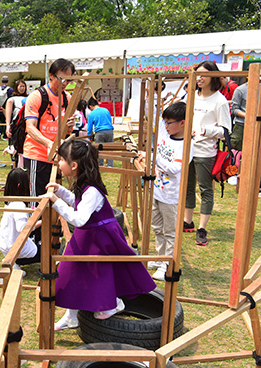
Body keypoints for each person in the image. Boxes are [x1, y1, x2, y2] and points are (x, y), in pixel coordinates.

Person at [43, 140, 156, 330]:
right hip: (88, 234)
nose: (58, 163)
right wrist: (61, 191)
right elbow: (79, 204)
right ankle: (71, 316)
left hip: (99, 237)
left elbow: (79, 218)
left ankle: (114, 303)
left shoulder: (92, 190)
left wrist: (56, 201)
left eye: (62, 159)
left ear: (74, 165)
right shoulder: (84, 184)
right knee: (70, 271)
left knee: (100, 272)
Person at [138, 102, 191, 280]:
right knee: (157, 228)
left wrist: (153, 156)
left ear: (183, 123)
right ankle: (160, 257)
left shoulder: (187, 145)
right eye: (165, 122)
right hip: (157, 190)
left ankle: (167, 263)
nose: (166, 125)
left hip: (171, 196)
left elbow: (174, 168)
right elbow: (153, 114)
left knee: (170, 231)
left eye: (170, 122)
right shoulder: (165, 133)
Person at [183, 60, 231, 246]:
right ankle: (188, 221)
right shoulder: (191, 96)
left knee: (205, 189)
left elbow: (226, 130)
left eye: (204, 74)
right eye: (197, 74)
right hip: (188, 148)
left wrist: (205, 131)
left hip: (205, 150)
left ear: (213, 77)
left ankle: (202, 228)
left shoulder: (219, 100)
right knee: (187, 187)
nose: (200, 78)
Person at [23, 58, 75, 198]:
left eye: (69, 80)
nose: (65, 83)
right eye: (62, 79)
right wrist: (48, 143)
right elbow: (30, 128)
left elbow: (66, 131)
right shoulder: (37, 96)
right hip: (37, 155)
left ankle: (50, 221)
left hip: (57, 156)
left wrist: (70, 126)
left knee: (54, 198)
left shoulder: (67, 98)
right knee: (38, 200)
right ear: (51, 75)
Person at [0, 167, 41, 277]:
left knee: (35, 236)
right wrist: (41, 222)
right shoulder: (19, 204)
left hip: (4, 242)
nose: (30, 185)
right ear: (20, 186)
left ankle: (12, 260)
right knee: (46, 252)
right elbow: (22, 229)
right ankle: (15, 261)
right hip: (12, 246)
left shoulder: (9, 200)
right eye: (28, 183)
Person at [87, 97, 114, 167]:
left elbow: (89, 127)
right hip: (109, 131)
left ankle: (100, 164)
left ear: (90, 106)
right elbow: (110, 121)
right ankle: (110, 164)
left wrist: (89, 136)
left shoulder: (92, 114)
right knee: (110, 148)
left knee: (99, 149)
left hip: (99, 132)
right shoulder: (106, 110)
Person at [230, 80, 248, 151]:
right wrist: (247, 116)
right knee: (238, 152)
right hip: (241, 126)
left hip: (257, 125)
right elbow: (234, 109)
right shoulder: (240, 89)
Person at [0, 76, 14, 140]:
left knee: (0, 122)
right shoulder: (10, 89)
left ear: (1, 81)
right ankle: (5, 135)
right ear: (8, 81)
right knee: (7, 121)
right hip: (6, 107)